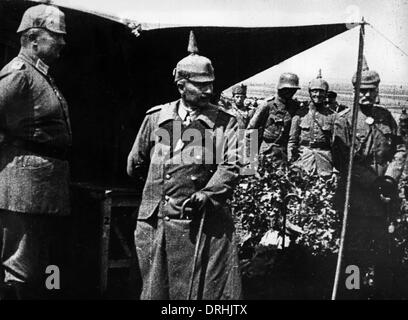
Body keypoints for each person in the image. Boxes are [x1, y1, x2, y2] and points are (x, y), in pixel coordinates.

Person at [127, 31, 242, 300]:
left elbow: (238, 165)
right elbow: (135, 164)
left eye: (211, 84)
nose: (209, 91)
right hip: (156, 223)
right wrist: (161, 190)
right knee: (156, 291)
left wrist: (208, 192)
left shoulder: (229, 121)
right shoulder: (156, 118)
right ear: (181, 86)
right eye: (201, 85)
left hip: (201, 224)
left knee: (198, 293)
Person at [0, 4, 71, 299]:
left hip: (44, 187)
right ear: (33, 39)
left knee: (42, 265)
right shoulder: (18, 74)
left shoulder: (41, 74)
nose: (63, 42)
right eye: (57, 36)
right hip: (23, 189)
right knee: (19, 267)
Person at [336, 57, 403, 299]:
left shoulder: (386, 118)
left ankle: (380, 292)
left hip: (385, 195)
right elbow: (344, 161)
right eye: (361, 91)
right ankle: (352, 291)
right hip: (357, 196)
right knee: (353, 249)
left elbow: (400, 149)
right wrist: (374, 182)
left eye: (370, 91)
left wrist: (391, 179)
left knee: (383, 245)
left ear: (377, 92)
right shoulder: (344, 121)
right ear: (354, 92)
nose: (365, 96)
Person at [288, 71, 348, 177]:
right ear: (310, 92)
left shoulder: (333, 116)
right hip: (303, 160)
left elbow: (337, 145)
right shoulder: (301, 113)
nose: (318, 95)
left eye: (321, 92)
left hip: (325, 161)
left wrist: (336, 168)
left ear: (326, 94)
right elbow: (292, 140)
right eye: (314, 91)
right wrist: (291, 160)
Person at [246, 72, 300, 162]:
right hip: (267, 150)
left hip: (284, 152)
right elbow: (251, 131)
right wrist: (250, 159)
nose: (290, 92)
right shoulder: (267, 105)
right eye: (287, 89)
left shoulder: (294, 106)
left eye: (293, 90)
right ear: (280, 88)